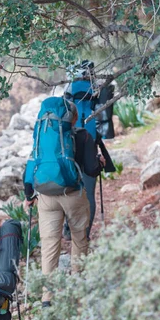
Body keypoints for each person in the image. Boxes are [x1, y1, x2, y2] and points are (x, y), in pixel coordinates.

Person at [24, 102, 102, 307]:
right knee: (79, 238)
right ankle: (78, 287)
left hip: (46, 196)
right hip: (73, 195)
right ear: (73, 118)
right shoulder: (83, 135)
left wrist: (28, 194)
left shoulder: (42, 134)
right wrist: (100, 162)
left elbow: (32, 161)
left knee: (50, 245)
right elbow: (92, 171)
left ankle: (47, 298)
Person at [62, 61, 114, 241]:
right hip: (90, 144)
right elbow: (105, 122)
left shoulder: (68, 91)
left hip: (70, 145)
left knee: (70, 189)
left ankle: (68, 228)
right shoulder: (98, 90)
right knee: (89, 193)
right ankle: (85, 234)